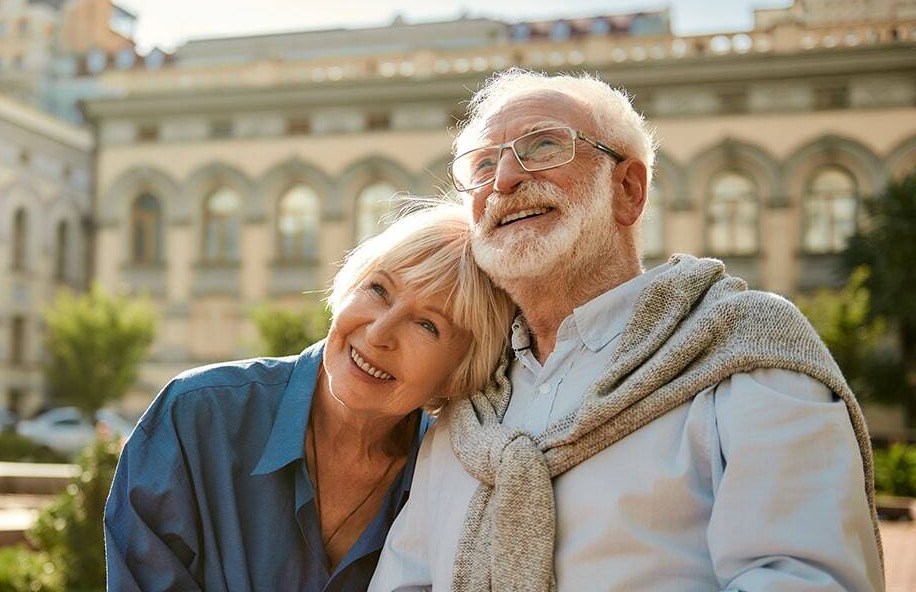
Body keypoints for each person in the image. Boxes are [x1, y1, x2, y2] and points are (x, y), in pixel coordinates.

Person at [370, 70, 884, 591]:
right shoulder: (467, 406)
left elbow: (803, 580)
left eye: (543, 146)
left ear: (628, 190)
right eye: (483, 164)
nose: (503, 179)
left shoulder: (746, 346)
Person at [105, 203, 516, 591]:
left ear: (461, 372)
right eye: (378, 290)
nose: (377, 334)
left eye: (427, 325)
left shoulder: (453, 477)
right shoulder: (196, 417)